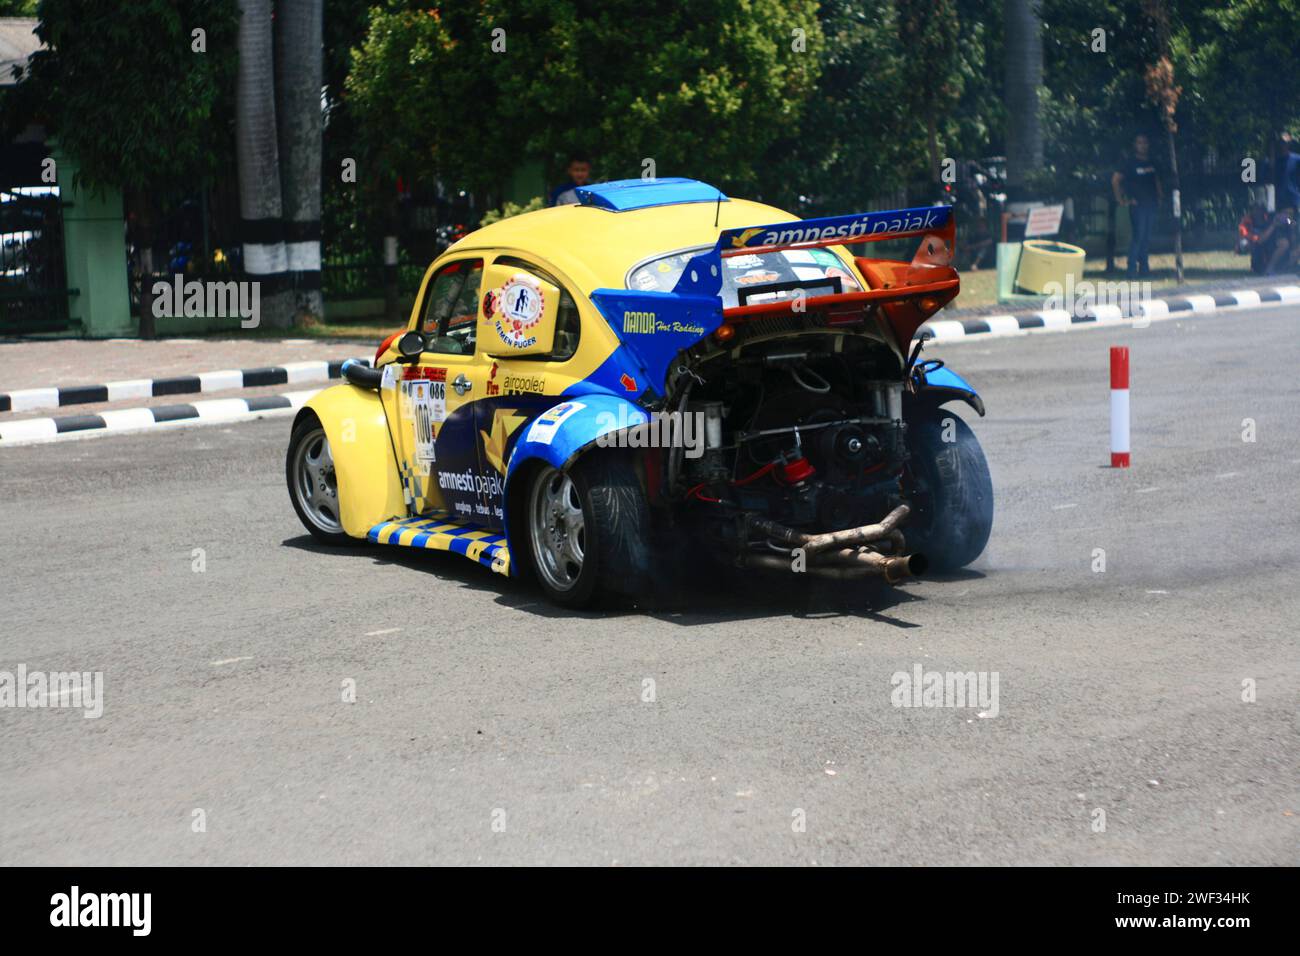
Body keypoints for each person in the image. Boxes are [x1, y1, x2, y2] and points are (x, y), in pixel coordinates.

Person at [1112, 134, 1163, 278]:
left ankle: (1144, 269)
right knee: (1138, 236)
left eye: (1145, 142)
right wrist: (1120, 200)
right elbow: (1115, 180)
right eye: (1139, 143)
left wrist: (1160, 197)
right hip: (1138, 205)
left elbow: (1157, 180)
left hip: (1151, 204)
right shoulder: (1129, 163)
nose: (1143, 145)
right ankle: (1131, 270)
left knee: (1146, 237)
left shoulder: (1152, 162)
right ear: (1135, 145)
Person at [1239, 205, 1295, 275]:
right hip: (1262, 259)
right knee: (1284, 244)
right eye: (1285, 213)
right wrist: (1274, 225)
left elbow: (1293, 243)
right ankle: (1269, 268)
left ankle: (1285, 269)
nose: (1287, 216)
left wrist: (1292, 227)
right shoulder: (1270, 220)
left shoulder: (1288, 222)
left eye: (1290, 214)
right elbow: (1260, 240)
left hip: (1278, 256)